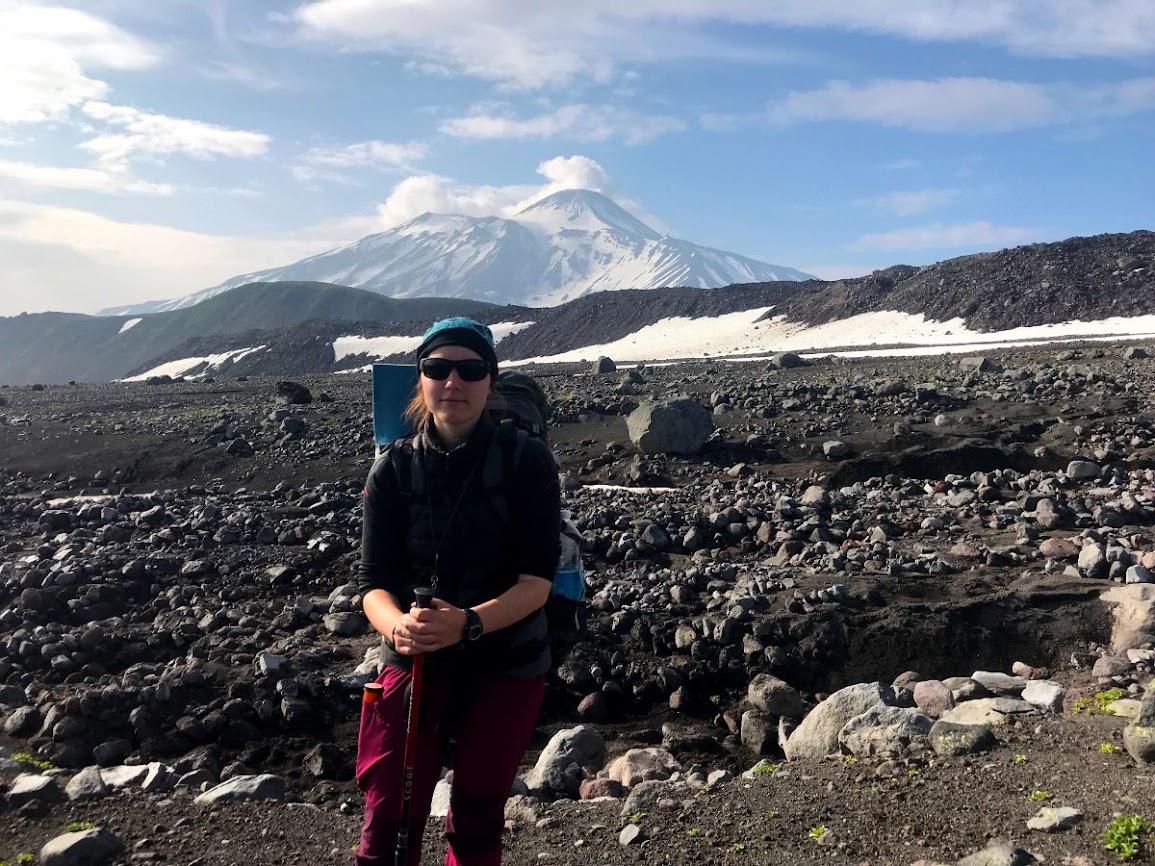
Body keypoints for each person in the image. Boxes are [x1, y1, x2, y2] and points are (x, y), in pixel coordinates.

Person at [354, 317, 561, 866]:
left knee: (475, 819)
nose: (453, 382)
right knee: (387, 820)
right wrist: (397, 625)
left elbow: (537, 581)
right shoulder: (392, 470)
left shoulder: (526, 462)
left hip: (505, 660)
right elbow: (372, 583)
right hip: (414, 656)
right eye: (437, 368)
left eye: (470, 370)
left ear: (490, 380)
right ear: (420, 379)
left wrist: (466, 623)